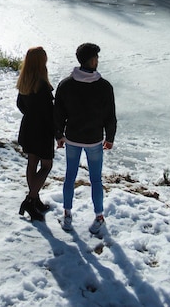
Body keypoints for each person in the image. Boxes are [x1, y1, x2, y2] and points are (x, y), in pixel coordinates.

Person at [54, 43, 117, 234]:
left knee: (70, 177)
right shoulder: (104, 86)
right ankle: (99, 217)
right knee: (96, 180)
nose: (97, 60)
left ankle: (67, 216)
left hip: (72, 138)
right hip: (94, 140)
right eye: (96, 57)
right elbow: (110, 115)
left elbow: (58, 113)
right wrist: (110, 137)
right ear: (91, 60)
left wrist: (59, 135)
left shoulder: (65, 84)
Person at [16, 46, 55, 222]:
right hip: (42, 130)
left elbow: (20, 105)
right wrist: (58, 132)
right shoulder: (42, 85)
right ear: (41, 61)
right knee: (46, 165)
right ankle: (30, 200)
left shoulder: (24, 81)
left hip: (28, 127)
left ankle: (35, 198)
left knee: (32, 163)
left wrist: (30, 115)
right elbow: (49, 113)